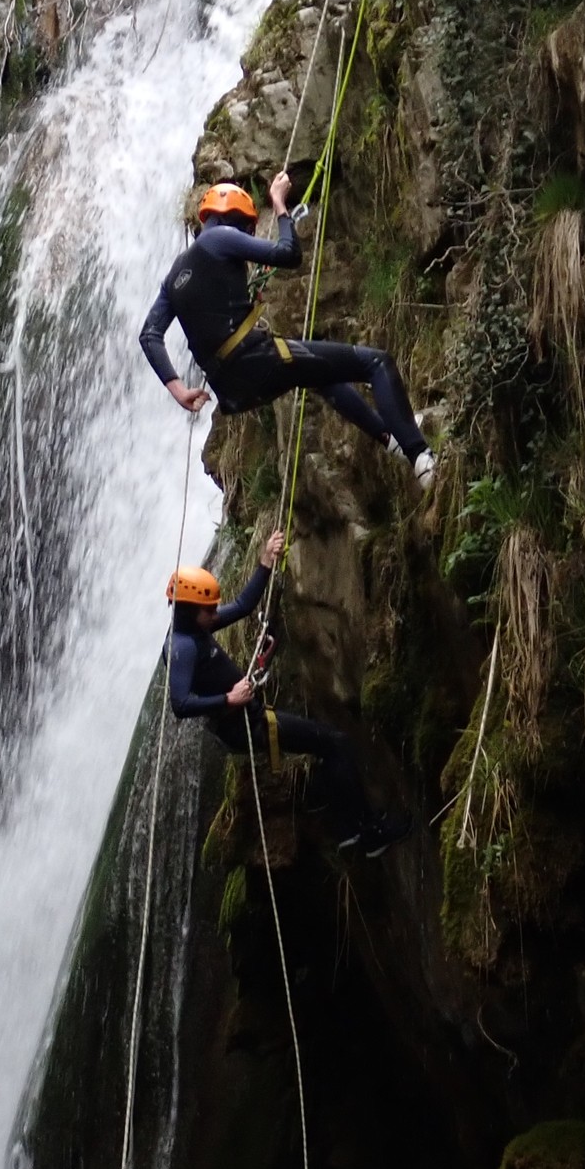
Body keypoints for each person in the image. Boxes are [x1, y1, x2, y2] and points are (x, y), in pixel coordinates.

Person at [139, 172, 438, 490]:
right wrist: (280, 203)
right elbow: (289, 254)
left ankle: (392, 436)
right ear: (239, 220)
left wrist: (180, 392)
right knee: (377, 362)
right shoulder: (220, 238)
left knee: (320, 375)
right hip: (255, 359)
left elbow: (149, 335)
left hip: (232, 390)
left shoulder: (173, 276)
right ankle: (420, 455)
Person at [165, 530, 411, 857]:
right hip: (245, 727)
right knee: (335, 743)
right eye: (208, 610)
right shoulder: (182, 648)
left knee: (327, 746)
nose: (214, 614)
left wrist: (266, 561)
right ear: (187, 610)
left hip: (247, 719)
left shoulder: (196, 627)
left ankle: (345, 828)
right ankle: (366, 834)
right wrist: (229, 698)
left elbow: (242, 606)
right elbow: (180, 704)